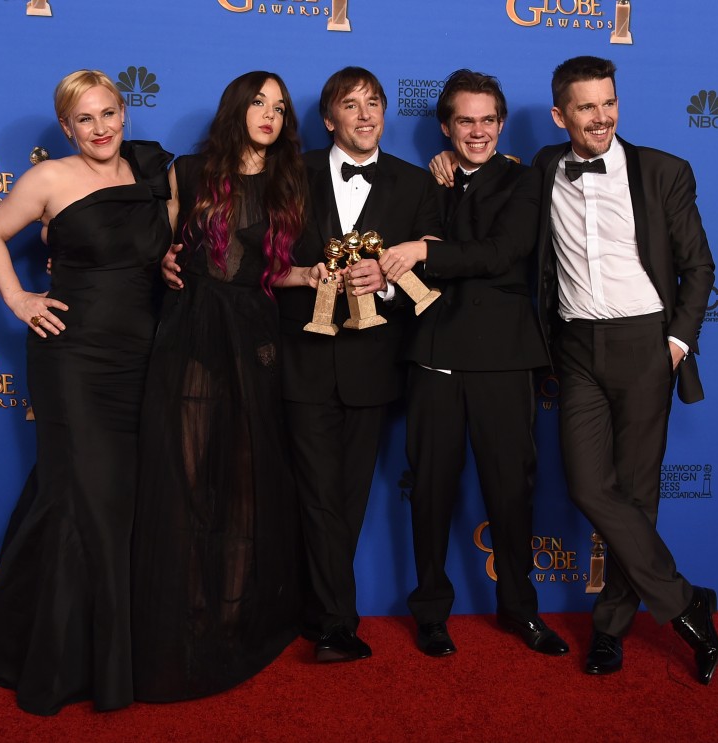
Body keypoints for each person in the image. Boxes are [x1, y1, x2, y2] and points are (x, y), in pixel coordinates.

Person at [0, 70, 173, 715]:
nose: (102, 127)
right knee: (83, 498)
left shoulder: (149, 174)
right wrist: (20, 299)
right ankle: (63, 666)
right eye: (86, 120)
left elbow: (161, 250)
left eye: (110, 113)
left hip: (141, 354)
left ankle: (97, 652)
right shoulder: (49, 179)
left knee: (115, 502)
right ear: (67, 128)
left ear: (124, 114)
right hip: (74, 360)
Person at [533, 56, 718, 683]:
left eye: (608, 102)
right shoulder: (540, 170)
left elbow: (699, 268)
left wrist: (675, 344)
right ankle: (685, 601)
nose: (602, 116)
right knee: (589, 487)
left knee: (637, 493)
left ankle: (610, 626)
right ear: (561, 116)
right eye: (586, 107)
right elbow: (489, 182)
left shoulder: (664, 171)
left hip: (646, 344)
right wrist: (450, 164)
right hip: (577, 349)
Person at [133, 71, 319, 700]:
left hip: (255, 337)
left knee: (244, 483)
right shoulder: (186, 170)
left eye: (281, 107)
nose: (270, 114)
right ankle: (188, 619)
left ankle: (234, 618)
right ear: (236, 108)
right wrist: (160, 258)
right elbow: (156, 246)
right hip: (190, 335)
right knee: (187, 482)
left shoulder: (292, 178)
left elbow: (274, 272)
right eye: (259, 103)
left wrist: (315, 274)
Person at [380, 70, 568, 659]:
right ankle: (431, 612)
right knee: (430, 490)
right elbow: (416, 250)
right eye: (466, 120)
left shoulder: (525, 178)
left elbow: (501, 253)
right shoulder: (425, 181)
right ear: (446, 125)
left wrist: (425, 249)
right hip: (434, 349)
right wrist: (429, 228)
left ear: (502, 123)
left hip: (504, 357)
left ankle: (520, 610)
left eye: (488, 119)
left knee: (511, 491)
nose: (478, 131)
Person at [275, 66, 441, 662]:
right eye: (351, 105)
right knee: (317, 493)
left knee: (348, 497)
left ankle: (316, 612)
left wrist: (388, 284)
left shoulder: (416, 183)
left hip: (374, 362)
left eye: (375, 103)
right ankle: (338, 625)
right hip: (304, 356)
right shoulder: (289, 174)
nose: (367, 114)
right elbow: (258, 253)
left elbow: (432, 268)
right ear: (329, 120)